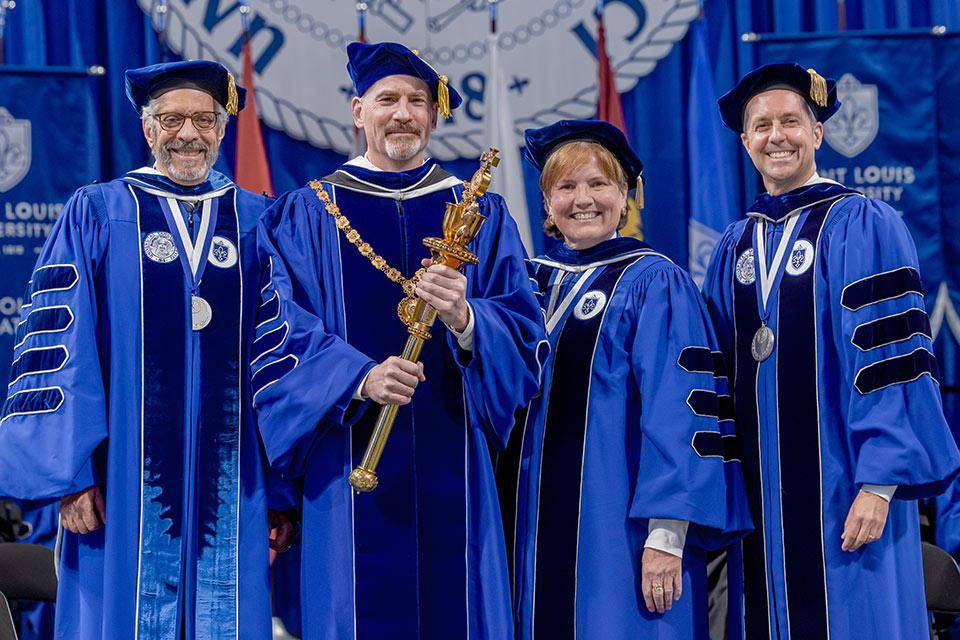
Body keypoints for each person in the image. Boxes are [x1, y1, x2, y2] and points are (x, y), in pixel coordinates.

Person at [251, 41, 546, 639]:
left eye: (418, 101)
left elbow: (522, 331)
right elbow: (277, 327)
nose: (404, 113)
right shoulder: (306, 214)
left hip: (457, 458)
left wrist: (467, 320)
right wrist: (357, 377)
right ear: (359, 112)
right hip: (347, 460)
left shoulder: (479, 214)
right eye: (388, 99)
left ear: (435, 117)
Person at [0, 60, 293, 639]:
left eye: (205, 119)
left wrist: (280, 489)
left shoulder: (260, 220)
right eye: (173, 118)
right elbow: (58, 347)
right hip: (119, 488)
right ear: (148, 128)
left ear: (222, 128)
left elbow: (281, 361)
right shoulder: (98, 211)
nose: (189, 132)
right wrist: (71, 477)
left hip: (236, 486)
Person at [702, 62, 960, 639]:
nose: (777, 136)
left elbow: (892, 360)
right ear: (745, 142)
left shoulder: (861, 223)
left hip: (847, 491)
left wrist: (880, 484)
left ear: (817, 133)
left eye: (791, 121)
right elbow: (714, 382)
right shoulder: (733, 247)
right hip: (759, 503)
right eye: (762, 125)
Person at [496, 118, 751, 639]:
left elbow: (682, 412)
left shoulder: (653, 281)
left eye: (598, 184)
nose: (582, 199)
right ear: (546, 202)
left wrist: (667, 533)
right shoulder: (525, 283)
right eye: (565, 186)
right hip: (528, 530)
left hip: (622, 533)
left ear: (626, 195)